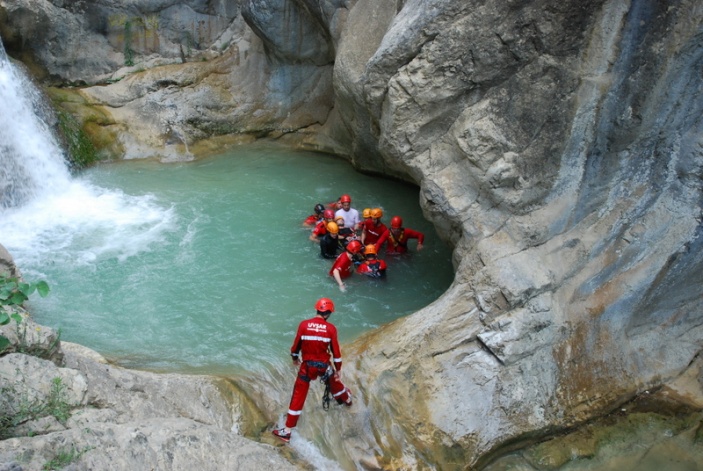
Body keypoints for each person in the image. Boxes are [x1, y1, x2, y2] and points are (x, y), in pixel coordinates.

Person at [272, 297, 352, 443]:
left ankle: (287, 430)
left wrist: (295, 359)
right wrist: (338, 369)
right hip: (324, 367)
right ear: (328, 313)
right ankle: (346, 399)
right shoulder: (331, 329)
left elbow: (295, 347)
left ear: (317, 309)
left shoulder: (304, 325)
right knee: (334, 380)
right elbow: (336, 353)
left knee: (298, 395)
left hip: (307, 367)